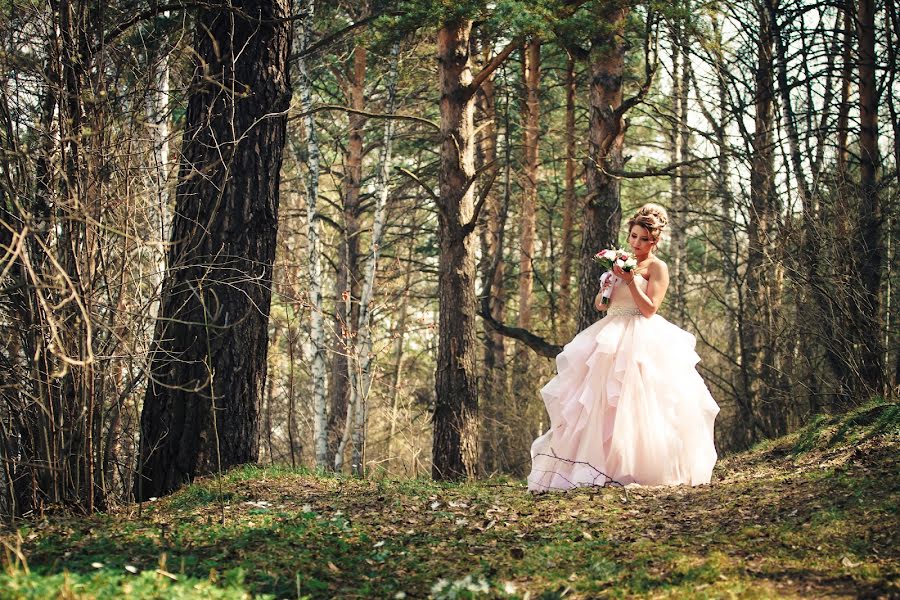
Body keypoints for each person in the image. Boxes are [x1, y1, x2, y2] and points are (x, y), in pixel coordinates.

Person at [528, 203, 719, 491]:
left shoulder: (657, 267)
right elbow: (601, 305)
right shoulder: (620, 260)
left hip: (642, 336)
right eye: (633, 236)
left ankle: (639, 467)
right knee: (600, 402)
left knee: (639, 402)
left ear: (655, 241)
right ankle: (598, 467)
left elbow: (649, 308)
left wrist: (630, 281)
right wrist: (607, 289)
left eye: (644, 238)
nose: (637, 243)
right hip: (609, 333)